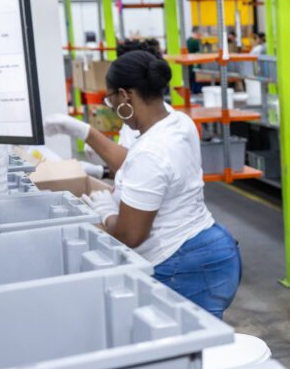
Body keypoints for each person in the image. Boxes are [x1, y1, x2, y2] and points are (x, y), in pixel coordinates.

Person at [44, 51, 242, 319]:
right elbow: (144, 169)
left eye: (109, 98)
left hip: (182, 264)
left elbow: (130, 235)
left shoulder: (150, 151)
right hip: (213, 247)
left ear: (125, 96)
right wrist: (92, 149)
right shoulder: (177, 122)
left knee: (186, 351)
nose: (110, 106)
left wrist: (106, 213)